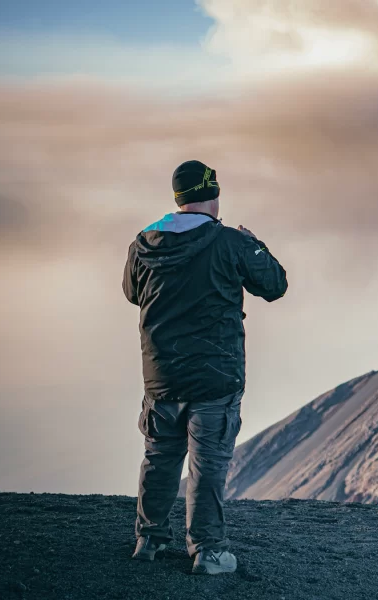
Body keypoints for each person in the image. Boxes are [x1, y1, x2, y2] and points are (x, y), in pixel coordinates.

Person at [122, 160, 287, 574]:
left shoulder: (144, 243)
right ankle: (208, 551)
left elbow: (131, 291)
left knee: (160, 456)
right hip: (215, 376)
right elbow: (274, 284)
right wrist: (255, 244)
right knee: (208, 463)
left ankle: (149, 539)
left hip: (162, 375)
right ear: (213, 196)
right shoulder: (229, 242)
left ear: (178, 198)